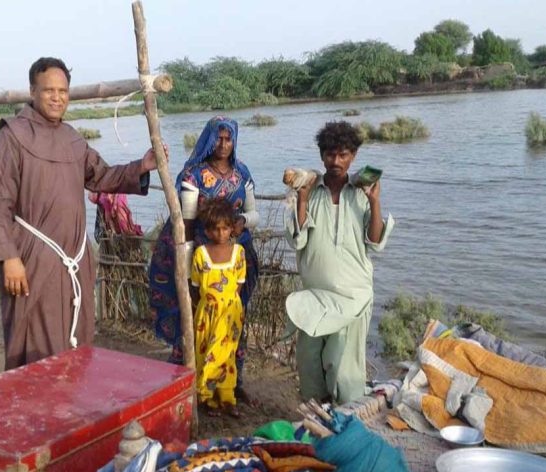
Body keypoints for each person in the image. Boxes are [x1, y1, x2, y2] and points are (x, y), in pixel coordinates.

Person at [0, 57, 162, 370]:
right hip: (32, 261)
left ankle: (73, 413)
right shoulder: (11, 137)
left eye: (63, 90)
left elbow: (102, 176)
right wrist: (9, 258)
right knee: (36, 342)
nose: (57, 97)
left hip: (75, 259)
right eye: (48, 90)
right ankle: (35, 413)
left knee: (76, 339)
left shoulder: (73, 139)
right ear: (32, 91)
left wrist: (141, 167)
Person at [148, 116, 259, 403]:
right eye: (218, 138)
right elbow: (186, 222)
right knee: (197, 321)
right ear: (209, 140)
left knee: (234, 319)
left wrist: (242, 222)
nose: (223, 144)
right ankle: (192, 383)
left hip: (235, 256)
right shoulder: (193, 176)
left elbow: (253, 214)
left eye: (229, 138)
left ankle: (233, 382)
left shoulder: (242, 173)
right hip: (201, 257)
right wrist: (185, 272)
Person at [284, 121, 394, 405]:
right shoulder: (310, 190)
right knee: (310, 366)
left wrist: (375, 201)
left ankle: (346, 423)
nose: (336, 161)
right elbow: (297, 240)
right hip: (315, 296)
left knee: (344, 370)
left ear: (353, 156)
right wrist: (303, 199)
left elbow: (376, 241)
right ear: (322, 156)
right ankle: (317, 422)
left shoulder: (360, 193)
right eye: (331, 154)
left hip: (352, 296)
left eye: (343, 155)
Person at [190, 198, 247, 417]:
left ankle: (227, 397)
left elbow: (239, 283)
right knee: (205, 352)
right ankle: (206, 397)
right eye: (215, 229)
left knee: (227, 355)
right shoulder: (201, 254)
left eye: (225, 228)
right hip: (207, 313)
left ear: (232, 229)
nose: (220, 234)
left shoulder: (238, 253)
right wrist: (209, 305)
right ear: (207, 230)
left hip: (231, 314)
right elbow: (195, 286)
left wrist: (229, 307)